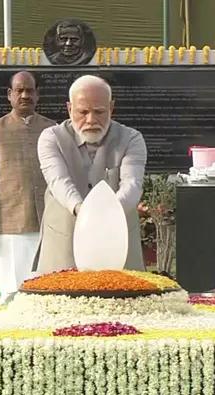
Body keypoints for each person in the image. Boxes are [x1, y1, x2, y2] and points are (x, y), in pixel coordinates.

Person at [35, 75, 147, 274]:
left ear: (111, 108)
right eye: (82, 112)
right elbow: (59, 181)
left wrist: (107, 214)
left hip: (117, 240)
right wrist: (82, 210)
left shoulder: (132, 138)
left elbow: (132, 183)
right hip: (63, 241)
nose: (91, 120)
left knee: (122, 300)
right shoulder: (50, 138)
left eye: (99, 112)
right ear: (69, 109)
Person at [0, 71, 55, 304]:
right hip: (10, 225)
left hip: (49, 224)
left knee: (47, 290)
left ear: (38, 95)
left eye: (30, 90)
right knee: (12, 290)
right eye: (19, 90)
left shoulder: (53, 130)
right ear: (10, 95)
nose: (25, 95)